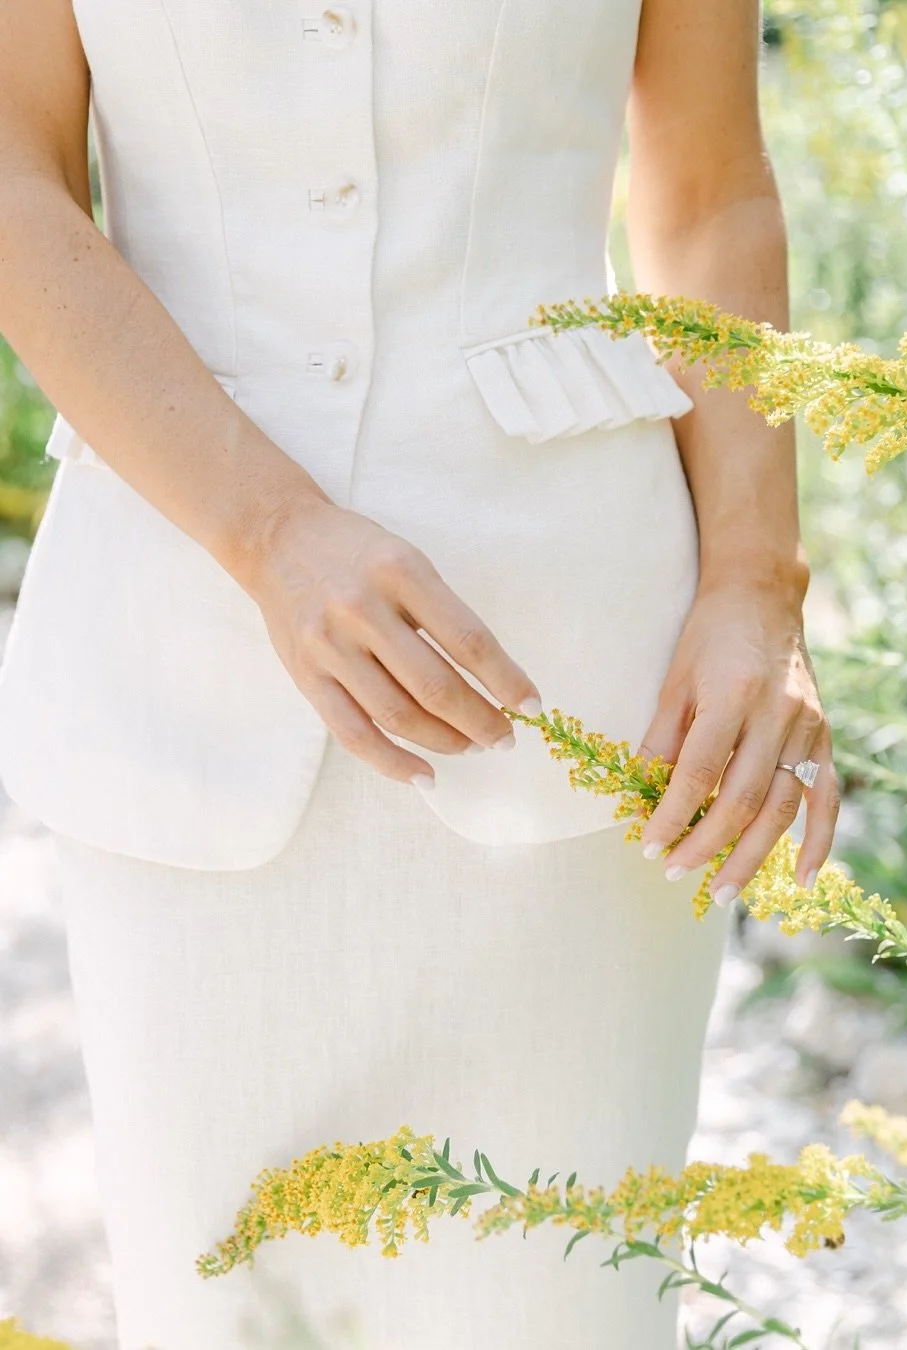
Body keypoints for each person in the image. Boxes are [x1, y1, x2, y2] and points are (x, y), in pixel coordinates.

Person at [0, 0, 839, 1346]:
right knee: (223, 1306)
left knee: (566, 1299)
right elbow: (11, 170)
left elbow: (709, 181)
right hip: (175, 677)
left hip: (581, 684)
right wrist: (264, 529)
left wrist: (756, 577)